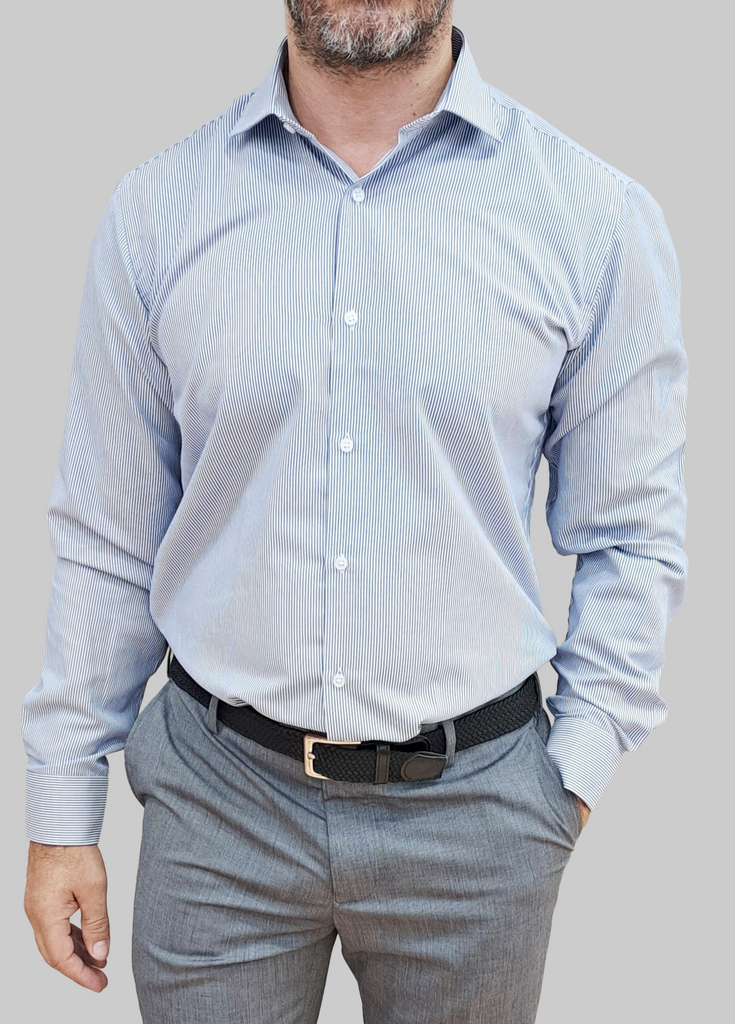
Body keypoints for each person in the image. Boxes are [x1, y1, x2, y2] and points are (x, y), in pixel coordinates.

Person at [22, 2, 688, 1022]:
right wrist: (62, 806)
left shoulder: (593, 218)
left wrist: (574, 772)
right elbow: (109, 535)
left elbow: (632, 532)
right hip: (217, 806)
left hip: (481, 819)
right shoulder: (159, 211)